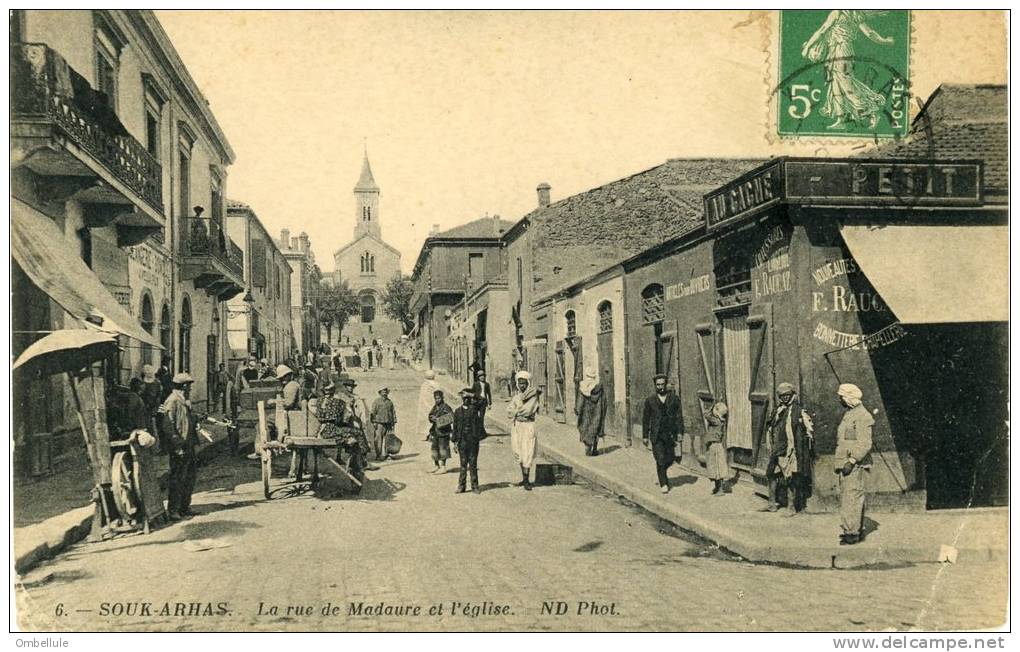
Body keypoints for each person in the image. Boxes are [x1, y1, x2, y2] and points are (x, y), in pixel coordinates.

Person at [766, 382, 815, 516]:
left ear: (793, 395)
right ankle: (771, 503)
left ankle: (791, 507)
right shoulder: (777, 410)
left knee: (790, 477)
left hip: (790, 449)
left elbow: (806, 431)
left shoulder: (798, 411)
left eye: (787, 395)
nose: (785, 398)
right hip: (777, 448)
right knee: (771, 474)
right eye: (782, 396)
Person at [835, 383, 873, 545]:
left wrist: (851, 461)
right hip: (845, 463)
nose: (839, 400)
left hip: (853, 464)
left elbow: (865, 443)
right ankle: (850, 529)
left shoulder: (863, 416)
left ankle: (853, 532)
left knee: (853, 496)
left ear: (849, 398)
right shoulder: (851, 414)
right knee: (847, 497)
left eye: (841, 397)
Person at [161, 372, 198, 521]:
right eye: (188, 386)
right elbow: (167, 426)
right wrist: (176, 444)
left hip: (189, 443)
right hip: (180, 445)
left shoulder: (183, 400)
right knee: (177, 478)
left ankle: (184, 506)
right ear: (183, 386)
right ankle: (173, 509)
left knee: (189, 476)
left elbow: (187, 420)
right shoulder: (172, 401)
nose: (190, 389)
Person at [641, 373, 684, 494]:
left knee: (670, 458)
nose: (660, 387)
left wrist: (680, 432)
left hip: (670, 434)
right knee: (660, 458)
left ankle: (662, 472)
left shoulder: (674, 399)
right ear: (655, 386)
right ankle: (663, 483)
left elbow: (679, 417)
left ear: (666, 385)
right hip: (657, 435)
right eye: (658, 385)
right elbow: (646, 419)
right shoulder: (650, 400)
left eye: (662, 384)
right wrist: (645, 436)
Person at [507, 371, 541, 490]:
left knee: (527, 451)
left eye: (524, 383)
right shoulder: (516, 397)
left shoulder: (533, 396)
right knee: (518, 451)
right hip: (517, 426)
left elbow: (528, 410)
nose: (522, 386)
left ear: (528, 383)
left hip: (528, 426)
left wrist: (516, 411)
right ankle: (523, 477)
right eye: (520, 383)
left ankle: (527, 481)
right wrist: (516, 411)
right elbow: (509, 411)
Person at [452, 388, 484, 494]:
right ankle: (461, 486)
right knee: (463, 464)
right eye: (464, 398)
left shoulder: (474, 410)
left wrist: (472, 394)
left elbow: (482, 400)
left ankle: (475, 486)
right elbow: (455, 428)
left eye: (468, 398)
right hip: (462, 441)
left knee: (473, 464)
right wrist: (455, 442)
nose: (466, 400)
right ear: (462, 399)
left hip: (473, 441)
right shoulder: (457, 412)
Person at [575, 370, 608, 456]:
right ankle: (595, 449)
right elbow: (604, 400)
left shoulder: (582, 387)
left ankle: (587, 446)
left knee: (585, 428)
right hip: (597, 411)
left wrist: (578, 410)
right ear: (594, 377)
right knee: (596, 428)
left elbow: (580, 401)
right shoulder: (599, 387)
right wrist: (603, 410)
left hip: (586, 412)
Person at [704, 401, 729, 495]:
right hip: (714, 445)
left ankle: (720, 489)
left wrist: (713, 405)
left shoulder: (716, 421)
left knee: (717, 467)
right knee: (715, 467)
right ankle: (717, 487)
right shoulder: (720, 421)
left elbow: (706, 414)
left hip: (715, 446)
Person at [427, 389, 454, 474]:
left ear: (442, 398)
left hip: (443, 431)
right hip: (435, 431)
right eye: (435, 398)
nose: (437, 400)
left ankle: (443, 466)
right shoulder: (435, 407)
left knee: (443, 449)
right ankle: (436, 465)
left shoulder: (446, 407)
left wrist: (439, 420)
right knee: (434, 449)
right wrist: (431, 418)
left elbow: (451, 417)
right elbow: (430, 414)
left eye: (438, 398)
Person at [139, 364, 164, 451]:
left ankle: (150, 446)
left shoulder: (154, 383)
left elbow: (158, 397)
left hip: (148, 408)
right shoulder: (156, 383)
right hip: (147, 408)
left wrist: (154, 408)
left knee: (149, 427)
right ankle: (151, 446)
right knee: (150, 428)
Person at [370, 387, 398, 461]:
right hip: (379, 423)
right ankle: (378, 455)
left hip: (388, 422)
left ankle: (387, 454)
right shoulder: (376, 402)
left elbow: (393, 412)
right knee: (378, 439)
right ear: (380, 393)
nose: (384, 393)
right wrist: (374, 422)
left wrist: (394, 421)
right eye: (383, 392)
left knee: (388, 439)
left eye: (386, 392)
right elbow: (373, 412)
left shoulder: (390, 402)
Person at [416, 370, 441, 441]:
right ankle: (432, 434)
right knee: (433, 418)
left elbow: (422, 396)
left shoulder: (424, 385)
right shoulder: (436, 384)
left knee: (426, 419)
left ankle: (427, 434)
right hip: (433, 404)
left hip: (425, 405)